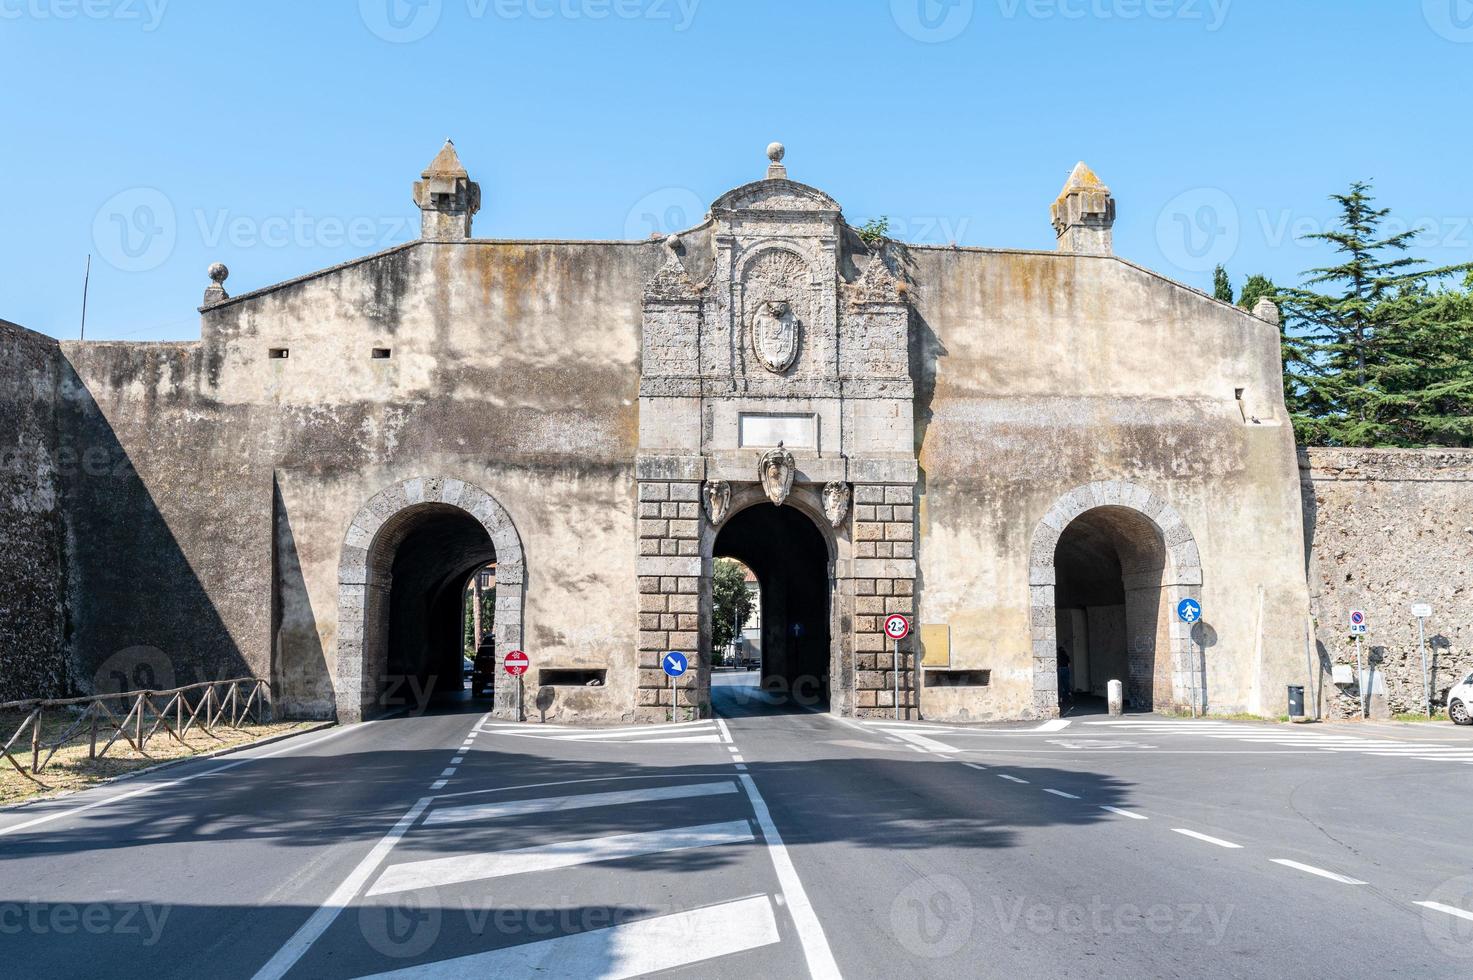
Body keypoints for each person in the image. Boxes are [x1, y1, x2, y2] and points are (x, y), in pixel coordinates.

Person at [1057, 647, 1073, 713]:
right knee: (1066, 683)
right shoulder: (1066, 656)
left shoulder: (1058, 657)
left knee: (1060, 684)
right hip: (1066, 669)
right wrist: (1068, 670)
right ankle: (1069, 694)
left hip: (1060, 669)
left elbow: (1057, 664)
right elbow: (1069, 664)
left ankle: (1061, 698)